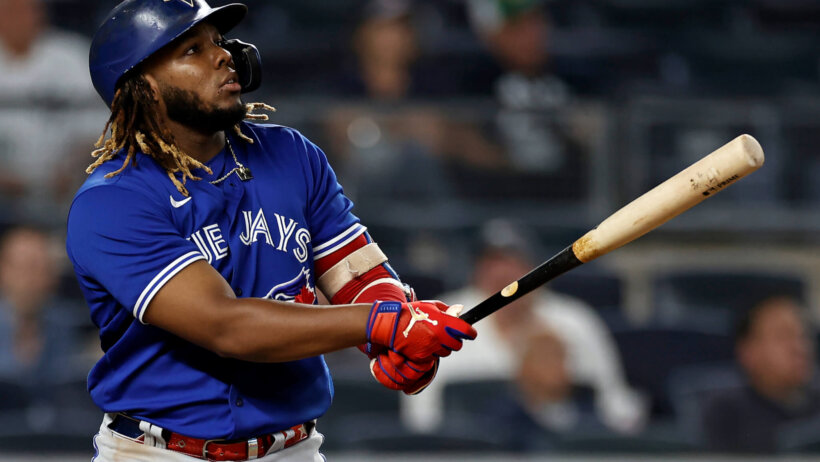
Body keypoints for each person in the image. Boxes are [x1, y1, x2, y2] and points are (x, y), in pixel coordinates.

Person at [65, 1, 477, 461]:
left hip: (293, 448)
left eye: (219, 43)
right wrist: (381, 324)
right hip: (162, 452)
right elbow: (227, 326)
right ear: (144, 89)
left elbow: (355, 272)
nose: (222, 56)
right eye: (192, 50)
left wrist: (394, 336)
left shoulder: (291, 154)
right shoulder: (112, 200)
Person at [401, 220, 645, 435]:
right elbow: (422, 418)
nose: (504, 272)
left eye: (514, 261)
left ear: (536, 268)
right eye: (492, 262)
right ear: (476, 270)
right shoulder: (439, 321)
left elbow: (616, 408)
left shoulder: (575, 321)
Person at [0, 0, 99, 223]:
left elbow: (100, 127)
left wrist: (73, 167)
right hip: (4, 197)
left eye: (28, 9)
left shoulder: (71, 54)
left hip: (67, 187)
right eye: (11, 11)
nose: (21, 17)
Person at [701, 296, 820, 453]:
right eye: (783, 336)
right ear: (748, 352)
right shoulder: (725, 413)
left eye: (804, 336)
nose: (800, 347)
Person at [0, 226, 86, 386]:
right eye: (29, 267)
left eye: (46, 269)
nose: (37, 279)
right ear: (4, 271)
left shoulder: (67, 325)